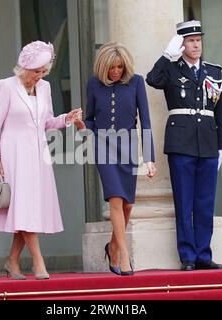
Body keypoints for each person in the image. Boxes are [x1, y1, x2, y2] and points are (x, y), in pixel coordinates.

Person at [0, 41, 83, 280]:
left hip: (38, 155)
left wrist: (66, 119)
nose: (39, 76)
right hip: (14, 154)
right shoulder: (6, 86)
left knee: (27, 209)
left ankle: (12, 261)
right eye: (36, 71)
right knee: (24, 207)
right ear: (25, 67)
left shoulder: (45, 88)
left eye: (43, 72)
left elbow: (47, 122)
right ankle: (38, 263)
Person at [146, 21, 222, 271]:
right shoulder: (170, 69)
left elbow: (220, 113)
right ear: (181, 44)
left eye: (198, 40)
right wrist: (166, 56)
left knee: (205, 202)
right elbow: (152, 79)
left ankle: (204, 254)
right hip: (181, 143)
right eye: (191, 40)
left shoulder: (215, 72)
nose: (196, 44)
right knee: (184, 202)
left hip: (207, 142)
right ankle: (188, 256)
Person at [85, 42, 156, 276]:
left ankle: (112, 246)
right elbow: (90, 119)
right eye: (111, 68)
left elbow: (145, 122)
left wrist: (150, 158)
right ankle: (124, 255)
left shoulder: (136, 82)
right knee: (115, 200)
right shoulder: (93, 84)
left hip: (128, 145)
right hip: (102, 145)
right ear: (103, 67)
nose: (115, 71)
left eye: (119, 67)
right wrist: (82, 127)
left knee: (127, 204)